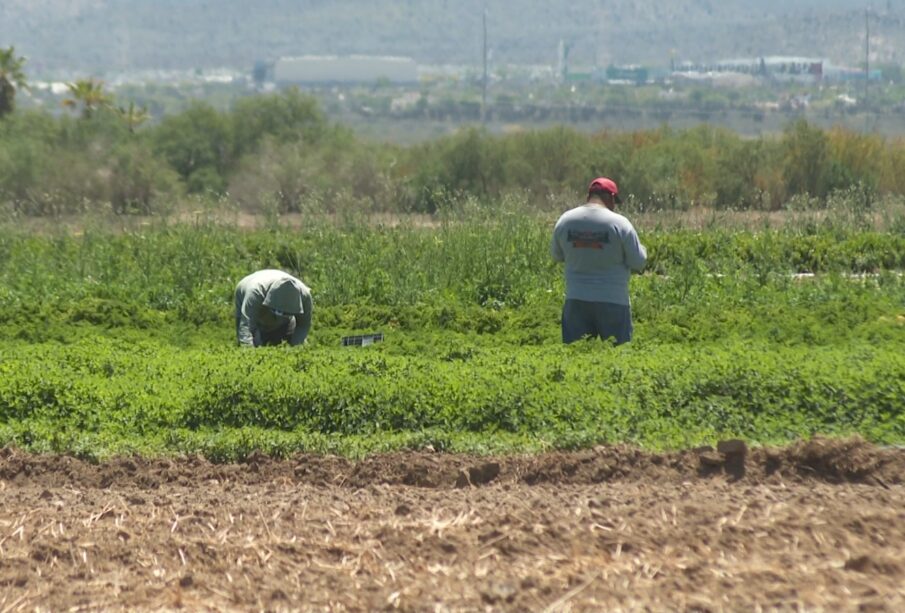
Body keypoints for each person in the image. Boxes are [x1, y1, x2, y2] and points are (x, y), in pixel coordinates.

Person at [551, 177, 647, 345]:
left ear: (589, 195)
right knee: (617, 358)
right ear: (610, 197)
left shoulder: (565, 221)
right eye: (614, 201)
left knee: (576, 357)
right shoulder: (620, 224)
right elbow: (638, 262)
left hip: (576, 299)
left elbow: (557, 256)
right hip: (613, 300)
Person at [234, 269, 313, 347]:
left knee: (294, 339)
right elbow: (246, 326)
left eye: (286, 313)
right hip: (249, 292)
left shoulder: (305, 296)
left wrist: (296, 348)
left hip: (285, 318)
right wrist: (250, 353)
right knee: (251, 340)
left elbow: (303, 325)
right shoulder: (255, 293)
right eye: (279, 312)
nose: (281, 315)